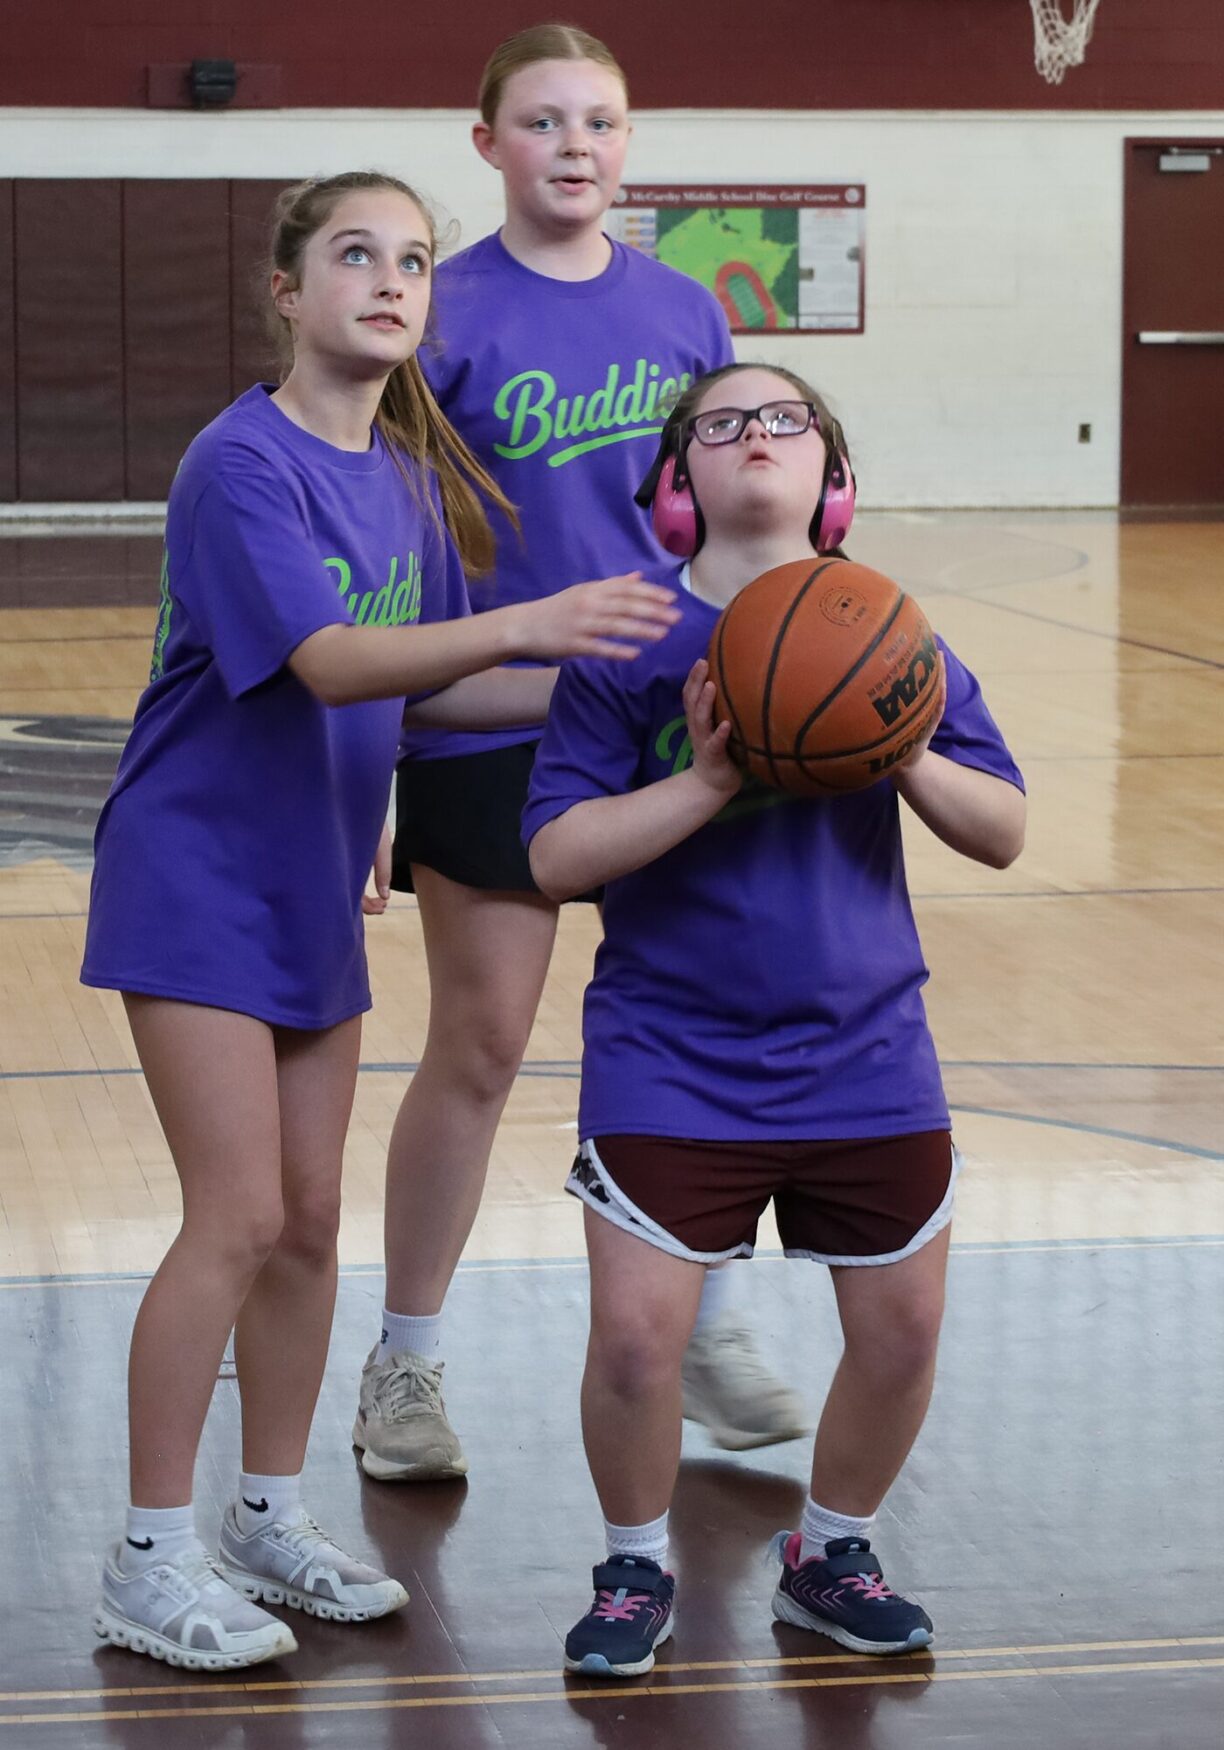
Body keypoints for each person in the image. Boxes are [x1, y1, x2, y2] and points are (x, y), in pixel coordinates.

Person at [79, 169, 679, 1673]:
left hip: (312, 875)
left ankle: (267, 1517)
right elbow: (335, 661)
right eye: (357, 255)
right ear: (288, 290)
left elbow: (422, 698)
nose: (393, 280)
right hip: (197, 866)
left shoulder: (406, 479)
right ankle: (147, 1555)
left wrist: (613, 675)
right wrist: (531, 617)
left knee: (309, 1221)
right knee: (237, 1215)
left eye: (413, 259)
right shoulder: (242, 461)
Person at [522, 362, 1027, 1677]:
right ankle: (636, 1566)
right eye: (722, 423)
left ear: (833, 475)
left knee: (901, 1334)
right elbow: (557, 856)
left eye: (787, 419)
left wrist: (904, 748)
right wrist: (704, 779)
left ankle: (832, 1552)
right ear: (676, 483)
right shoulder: (631, 641)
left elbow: (1004, 828)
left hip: (868, 1045)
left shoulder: (893, 635)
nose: (757, 436)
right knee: (636, 1344)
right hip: (670, 1048)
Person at [356, 22, 807, 1486]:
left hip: (668, 721)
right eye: (544, 121)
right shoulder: (444, 311)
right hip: (494, 715)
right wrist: (371, 754)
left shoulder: (683, 311)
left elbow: (733, 516)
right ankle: (406, 1359)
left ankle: (711, 1323)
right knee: (482, 1043)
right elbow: (385, 537)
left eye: (600, 122)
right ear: (486, 143)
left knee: (701, 1025)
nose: (575, 146)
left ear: (629, 144)